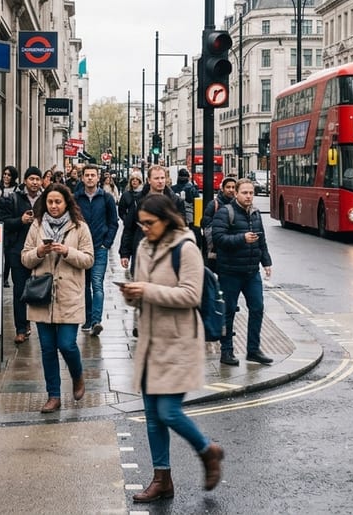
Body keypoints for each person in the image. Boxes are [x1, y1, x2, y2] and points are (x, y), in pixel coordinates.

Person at [121, 193, 224, 502]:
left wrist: (148, 290)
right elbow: (140, 289)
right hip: (151, 340)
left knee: (168, 411)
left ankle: (209, 452)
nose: (144, 228)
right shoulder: (143, 246)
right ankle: (162, 479)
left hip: (178, 341)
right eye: (141, 223)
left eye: (149, 223)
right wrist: (131, 294)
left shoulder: (187, 248)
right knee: (152, 415)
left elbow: (191, 295)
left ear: (165, 220)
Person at [20, 183, 94, 413]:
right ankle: (54, 395)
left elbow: (89, 259)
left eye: (58, 202)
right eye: (50, 202)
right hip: (42, 295)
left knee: (67, 344)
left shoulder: (79, 227)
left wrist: (67, 252)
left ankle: (77, 375)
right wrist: (38, 253)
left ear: (66, 203)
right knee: (47, 348)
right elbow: (25, 258)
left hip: (69, 295)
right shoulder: (37, 226)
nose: (53, 206)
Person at [210, 178, 273, 367]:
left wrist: (266, 262)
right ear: (236, 193)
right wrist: (242, 238)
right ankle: (226, 351)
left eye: (251, 193)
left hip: (251, 271)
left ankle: (253, 350)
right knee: (228, 311)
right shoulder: (225, 212)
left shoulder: (255, 214)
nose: (248, 196)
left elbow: (261, 240)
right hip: (230, 271)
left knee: (257, 308)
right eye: (244, 193)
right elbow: (218, 238)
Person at [0, 166, 44, 344]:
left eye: (37, 179)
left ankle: (37, 323)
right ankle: (21, 328)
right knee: (19, 291)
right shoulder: (13, 198)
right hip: (18, 250)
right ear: (25, 181)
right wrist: (20, 221)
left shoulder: (46, 199)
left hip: (40, 251)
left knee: (42, 289)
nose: (34, 182)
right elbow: (2, 220)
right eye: (31, 178)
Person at [75, 164, 119, 335]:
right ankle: (87, 319)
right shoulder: (76, 198)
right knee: (84, 286)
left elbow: (113, 222)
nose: (90, 178)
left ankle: (96, 321)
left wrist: (106, 243)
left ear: (98, 177)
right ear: (83, 178)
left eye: (93, 175)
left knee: (97, 284)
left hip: (100, 247)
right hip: (81, 248)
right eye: (87, 175)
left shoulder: (106, 198)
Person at [120, 165, 187, 270]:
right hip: (143, 249)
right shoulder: (138, 201)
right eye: (156, 178)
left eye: (162, 178)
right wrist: (125, 253)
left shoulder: (175, 201)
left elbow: (182, 227)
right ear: (149, 180)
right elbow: (130, 227)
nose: (160, 181)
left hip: (167, 251)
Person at [201, 177, 239, 265]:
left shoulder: (238, 204)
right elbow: (206, 224)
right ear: (222, 189)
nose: (231, 190)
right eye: (228, 187)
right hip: (217, 247)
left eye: (233, 187)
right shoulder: (214, 204)